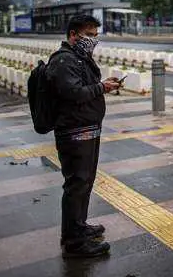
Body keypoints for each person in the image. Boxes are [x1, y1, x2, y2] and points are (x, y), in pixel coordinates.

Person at [47, 14, 121, 258]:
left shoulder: (79, 58)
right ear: (72, 35)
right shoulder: (63, 61)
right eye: (89, 35)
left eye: (95, 35)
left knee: (85, 182)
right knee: (76, 184)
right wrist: (102, 87)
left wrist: (102, 84)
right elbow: (74, 93)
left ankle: (79, 227)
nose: (93, 40)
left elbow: (84, 87)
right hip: (74, 132)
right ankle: (74, 243)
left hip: (87, 129)